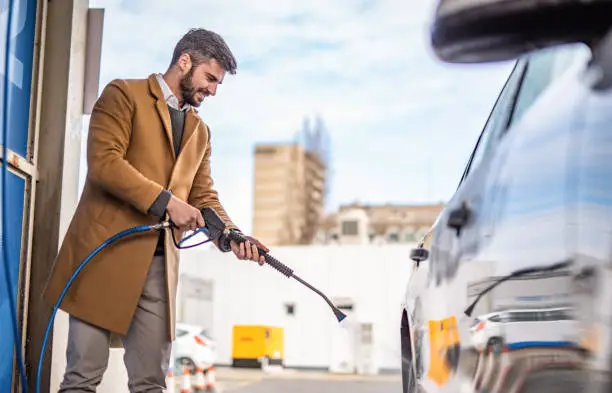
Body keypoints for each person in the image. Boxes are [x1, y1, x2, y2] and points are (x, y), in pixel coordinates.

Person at [43, 28, 269, 392]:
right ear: (184, 61)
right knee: (82, 378)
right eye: (209, 78)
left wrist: (231, 235)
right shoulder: (123, 94)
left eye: (217, 84)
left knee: (151, 383)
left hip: (159, 268)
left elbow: (204, 195)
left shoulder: (200, 131)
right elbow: (104, 162)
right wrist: (167, 202)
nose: (212, 90)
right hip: (105, 255)